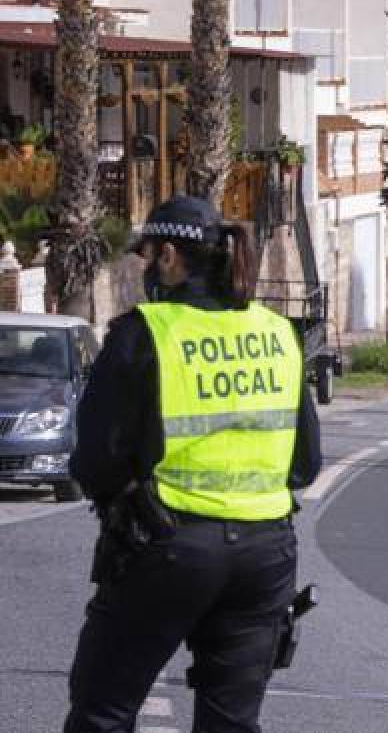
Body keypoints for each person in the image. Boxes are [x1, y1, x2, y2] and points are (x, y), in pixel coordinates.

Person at [64, 196, 322, 733]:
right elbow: (305, 464)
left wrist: (125, 500)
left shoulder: (144, 333)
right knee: (231, 721)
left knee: (104, 709)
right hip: (265, 555)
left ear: (169, 257)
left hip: (167, 546)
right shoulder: (276, 333)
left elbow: (96, 460)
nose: (144, 269)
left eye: (147, 256)